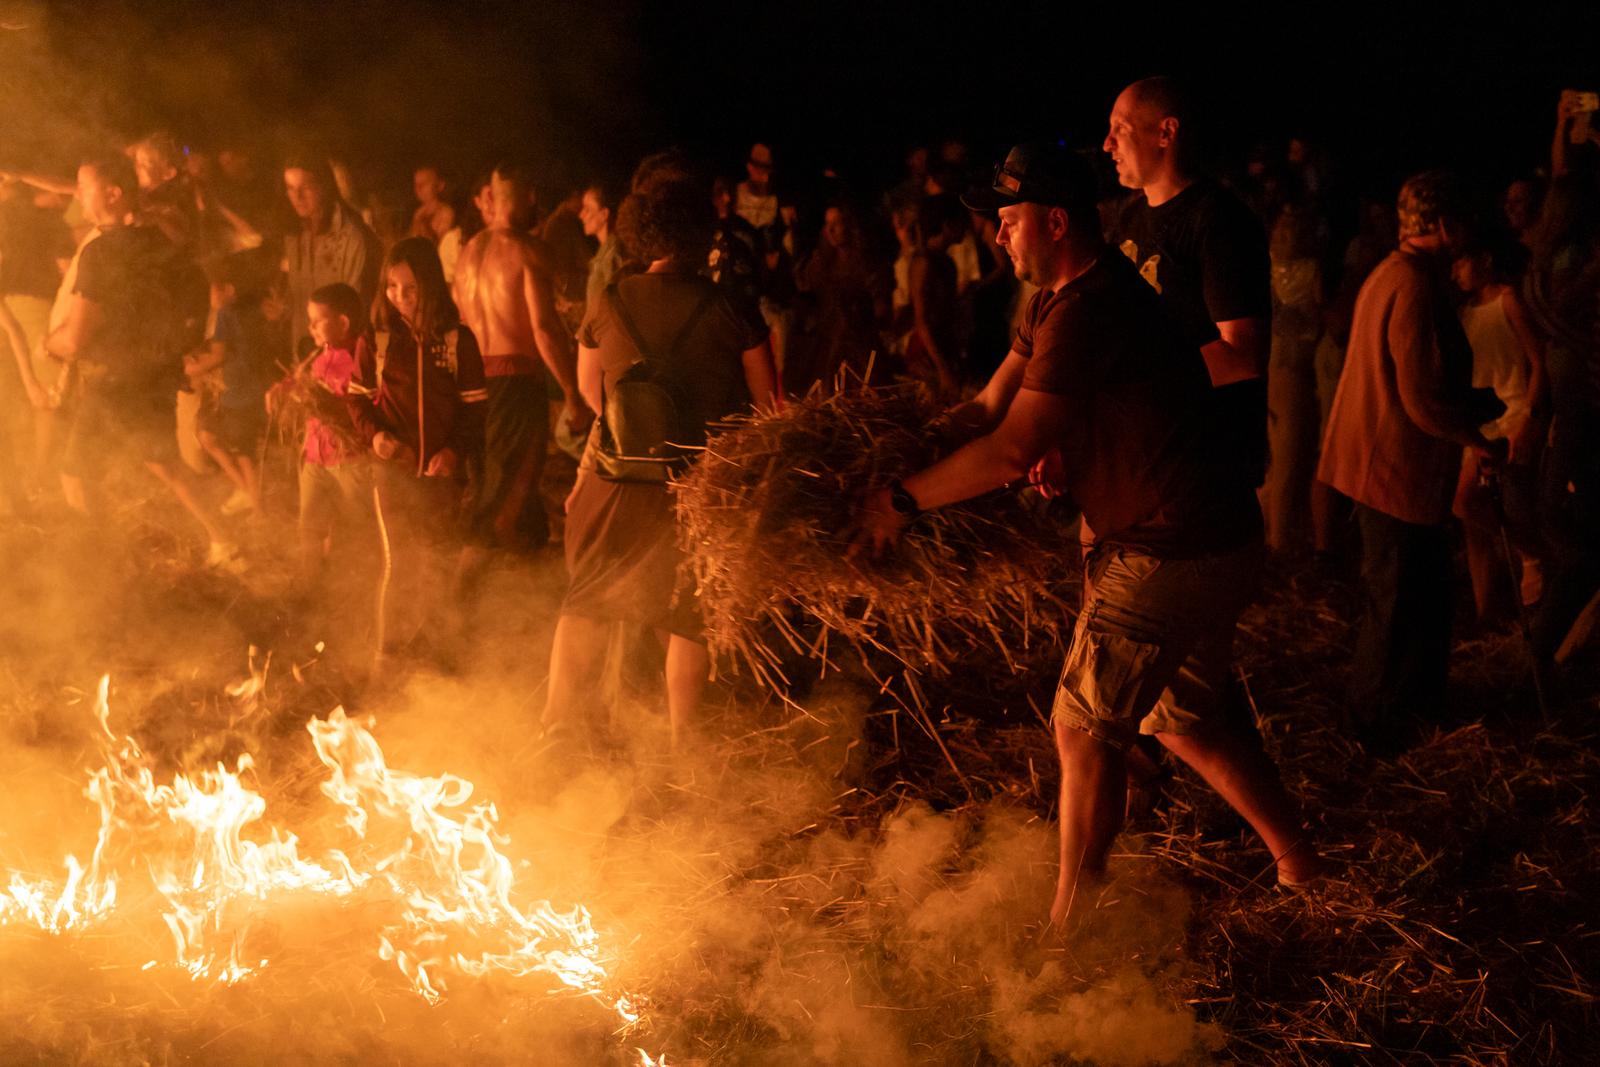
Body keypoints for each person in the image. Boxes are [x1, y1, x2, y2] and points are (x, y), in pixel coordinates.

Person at [854, 141, 1323, 925]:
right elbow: (993, 407)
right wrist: (912, 441)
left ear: (1056, 221)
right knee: (1184, 718)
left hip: (1173, 546)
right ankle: (1300, 861)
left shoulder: (1092, 304)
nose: (997, 237)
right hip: (1210, 535)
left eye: (1008, 221)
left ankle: (1072, 935)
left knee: (1082, 729)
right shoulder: (1054, 303)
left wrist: (900, 502)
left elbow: (1010, 449)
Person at [542, 171, 779, 751]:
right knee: (689, 615)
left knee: (588, 601)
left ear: (639, 232)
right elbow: (772, 409)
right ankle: (682, 749)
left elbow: (593, 397)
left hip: (617, 480)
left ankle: (555, 729)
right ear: (703, 233)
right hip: (700, 486)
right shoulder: (732, 307)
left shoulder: (610, 300)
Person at [1317, 171, 1504, 753]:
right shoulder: (1416, 288)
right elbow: (1420, 399)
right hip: (1394, 468)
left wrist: (1468, 405)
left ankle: (1411, 709)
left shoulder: (1394, 273)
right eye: (1464, 222)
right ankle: (1375, 724)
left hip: (1383, 464)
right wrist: (1477, 436)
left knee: (1414, 596)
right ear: (1445, 225)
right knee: (1397, 602)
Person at [42, 153, 237, 567]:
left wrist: (50, 343)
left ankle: (101, 568)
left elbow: (75, 340)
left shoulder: (100, 253)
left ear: (112, 194)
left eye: (84, 185)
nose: (77, 194)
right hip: (155, 375)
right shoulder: (163, 242)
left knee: (75, 474)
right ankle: (224, 540)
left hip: (114, 382)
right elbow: (195, 301)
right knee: (163, 460)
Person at [1103, 77, 1272, 490]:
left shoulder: (1218, 222)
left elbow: (1242, 354)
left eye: (1120, 129)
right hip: (1144, 452)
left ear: (1166, 132)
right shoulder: (1129, 215)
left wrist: (1136, 375)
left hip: (1203, 463)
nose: (1107, 145)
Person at [347, 237, 488, 652]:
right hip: (394, 474)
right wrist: (375, 437)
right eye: (392, 287)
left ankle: (437, 653)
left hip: (444, 476)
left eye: (410, 288)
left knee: (441, 563)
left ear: (429, 285)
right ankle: (388, 657)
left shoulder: (458, 340)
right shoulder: (378, 340)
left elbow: (475, 411)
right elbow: (355, 399)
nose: (400, 298)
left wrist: (453, 452)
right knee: (401, 565)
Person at [454, 163, 592, 555]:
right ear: (528, 194)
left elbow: (462, 324)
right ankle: (463, 595)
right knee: (506, 496)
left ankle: (515, 589)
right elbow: (544, 330)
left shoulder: (467, 254)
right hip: (515, 382)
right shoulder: (527, 251)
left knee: (497, 484)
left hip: (475, 382)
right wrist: (572, 395)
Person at [1451, 237, 1546, 622]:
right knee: (1472, 521)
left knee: (1466, 500)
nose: (1455, 271)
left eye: (1462, 261)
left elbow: (1537, 361)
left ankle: (1531, 552)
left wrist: (1531, 418)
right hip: (1479, 421)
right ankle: (1485, 608)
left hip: (1510, 416)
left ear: (1484, 258)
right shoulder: (1463, 312)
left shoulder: (1509, 300)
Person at [268, 282, 377, 590]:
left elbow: (364, 408)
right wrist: (283, 389)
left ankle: (357, 590)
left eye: (317, 320)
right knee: (309, 528)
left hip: (350, 461)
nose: (310, 327)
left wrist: (326, 403)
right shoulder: (319, 355)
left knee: (357, 529)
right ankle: (309, 591)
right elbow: (300, 381)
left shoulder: (361, 358)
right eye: (309, 319)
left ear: (342, 322)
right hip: (315, 458)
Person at [185, 254, 275, 515]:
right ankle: (247, 492)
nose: (208, 295)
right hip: (246, 389)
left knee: (243, 451)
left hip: (241, 391)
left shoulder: (227, 313)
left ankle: (259, 510)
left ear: (228, 289)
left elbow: (218, 355)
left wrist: (188, 369)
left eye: (211, 288)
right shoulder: (253, 308)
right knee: (208, 436)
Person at [282, 154, 382, 358]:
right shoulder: (295, 238)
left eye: (306, 187)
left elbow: (357, 311)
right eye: (291, 188)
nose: (297, 197)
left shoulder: (352, 239)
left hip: (344, 363)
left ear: (325, 185)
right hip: (306, 360)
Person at [735, 143, 780, 233]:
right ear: (748, 166)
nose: (760, 171)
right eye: (756, 164)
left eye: (765, 167)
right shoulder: (734, 193)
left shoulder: (775, 199)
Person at [409, 165, 457, 244]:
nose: (419, 188)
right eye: (416, 184)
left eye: (424, 183)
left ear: (440, 186)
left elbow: (441, 242)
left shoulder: (446, 212)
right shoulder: (418, 213)